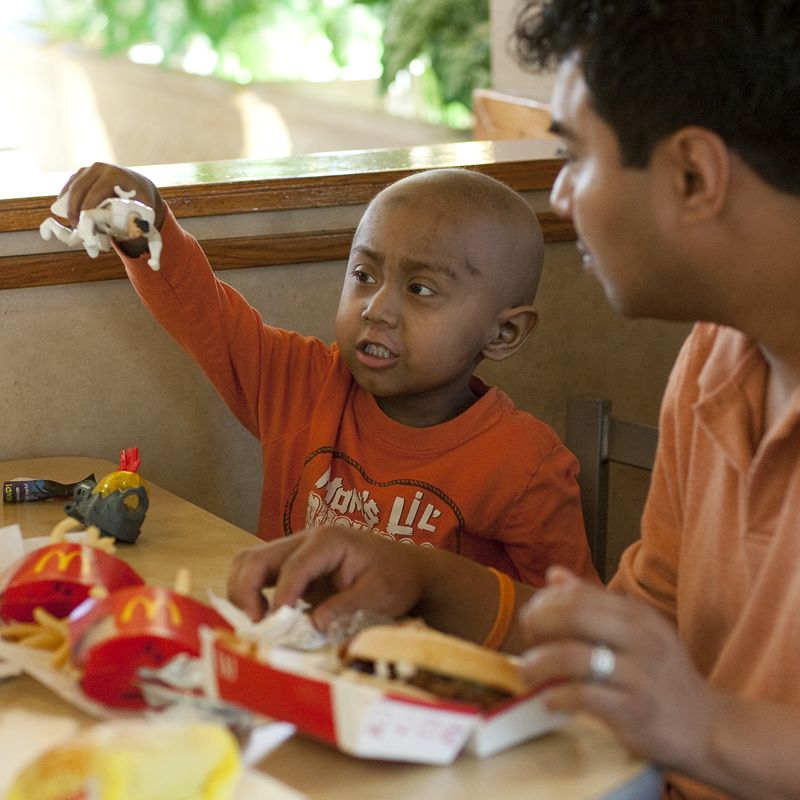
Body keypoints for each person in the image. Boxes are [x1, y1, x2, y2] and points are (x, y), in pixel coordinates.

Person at [227, 1, 800, 798]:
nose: (561, 194)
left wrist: (705, 727)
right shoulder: (716, 356)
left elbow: (683, 710)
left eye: (574, 156)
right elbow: (629, 640)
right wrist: (421, 576)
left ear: (694, 176)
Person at [55, 163, 597, 587]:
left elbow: (570, 630)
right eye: (364, 275)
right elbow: (204, 314)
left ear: (503, 334)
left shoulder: (525, 466)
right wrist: (143, 223)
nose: (376, 308)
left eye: (421, 289)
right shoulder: (304, 386)